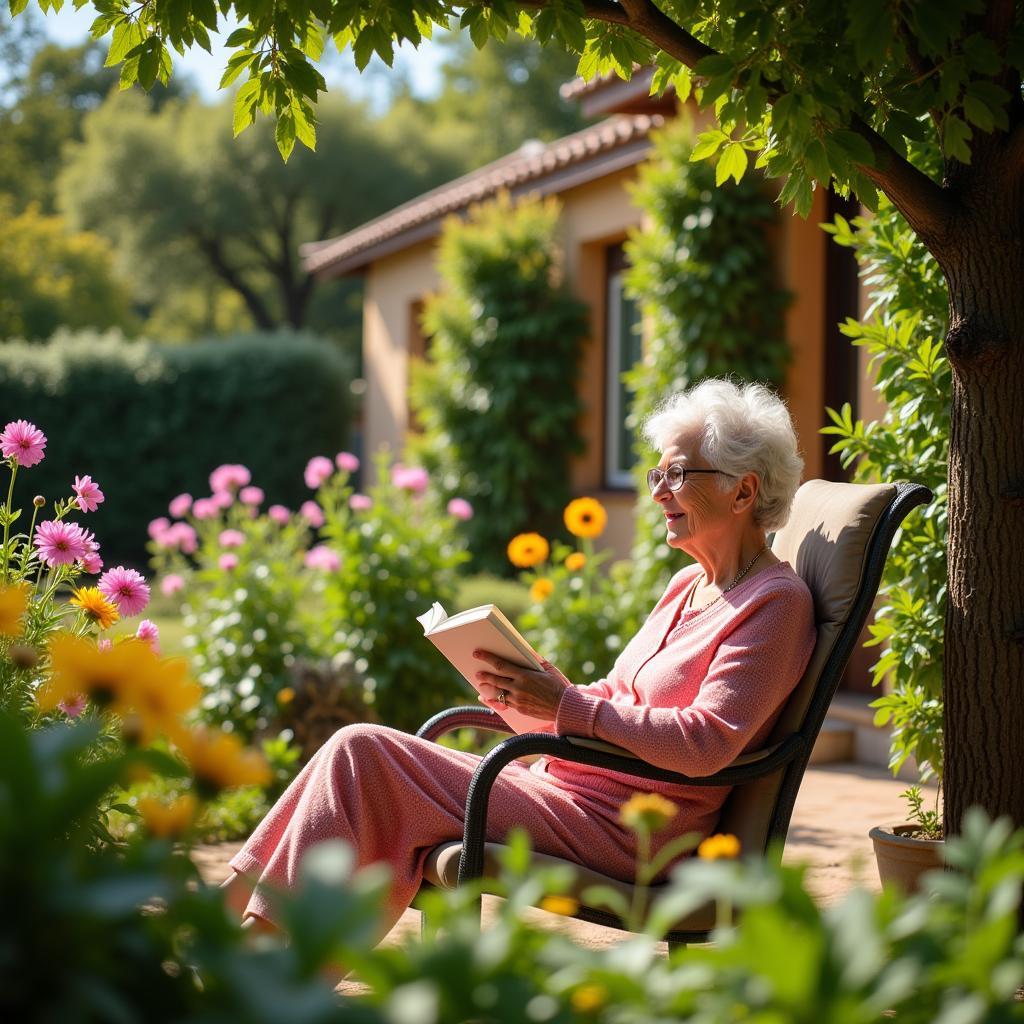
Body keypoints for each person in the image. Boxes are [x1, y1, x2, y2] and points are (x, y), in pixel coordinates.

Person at [222, 379, 816, 937]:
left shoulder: (774, 604)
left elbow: (706, 742)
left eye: (679, 473)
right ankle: (241, 922)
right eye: (658, 472)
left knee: (364, 751)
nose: (658, 489)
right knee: (358, 762)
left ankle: (252, 947)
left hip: (626, 829)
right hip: (568, 789)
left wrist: (566, 707)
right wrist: (528, 689)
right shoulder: (687, 585)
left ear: (744, 490)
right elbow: (613, 695)